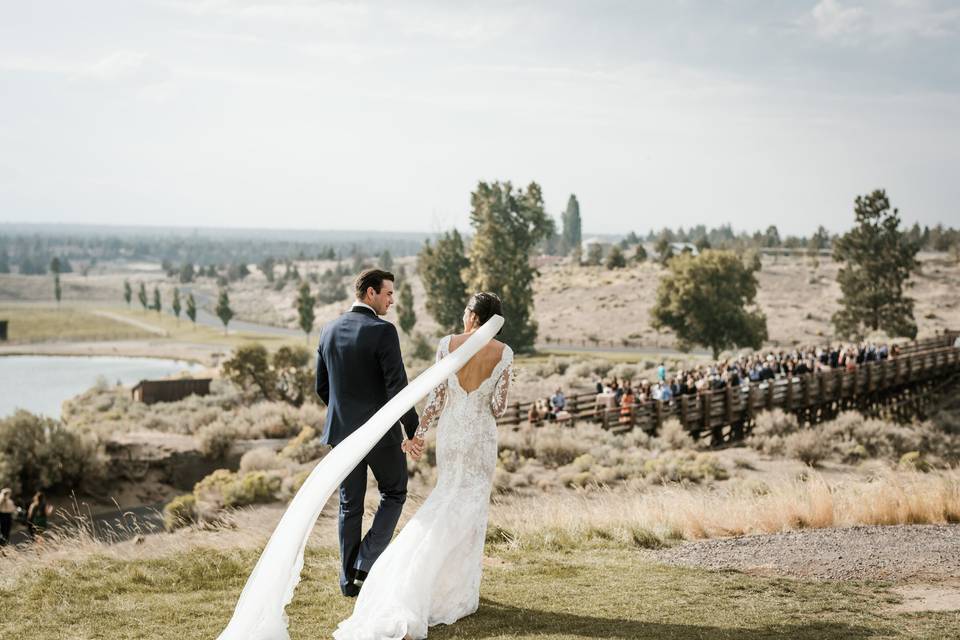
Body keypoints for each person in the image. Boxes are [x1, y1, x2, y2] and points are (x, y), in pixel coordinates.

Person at [334, 292, 513, 640]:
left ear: (474, 317)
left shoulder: (448, 344)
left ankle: (424, 575)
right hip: (480, 439)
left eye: (466, 311)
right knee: (472, 509)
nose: (464, 316)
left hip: (451, 435)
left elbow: (437, 398)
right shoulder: (504, 353)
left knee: (446, 497)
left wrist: (417, 435)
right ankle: (457, 589)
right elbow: (499, 407)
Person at [315, 268, 421, 597]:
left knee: (350, 507)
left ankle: (348, 583)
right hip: (380, 434)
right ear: (371, 293)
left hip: (343, 435)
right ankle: (365, 560)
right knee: (395, 492)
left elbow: (322, 389)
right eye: (388, 293)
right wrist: (412, 429)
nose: (392, 300)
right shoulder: (383, 331)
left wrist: (345, 416)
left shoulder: (327, 330)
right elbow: (397, 387)